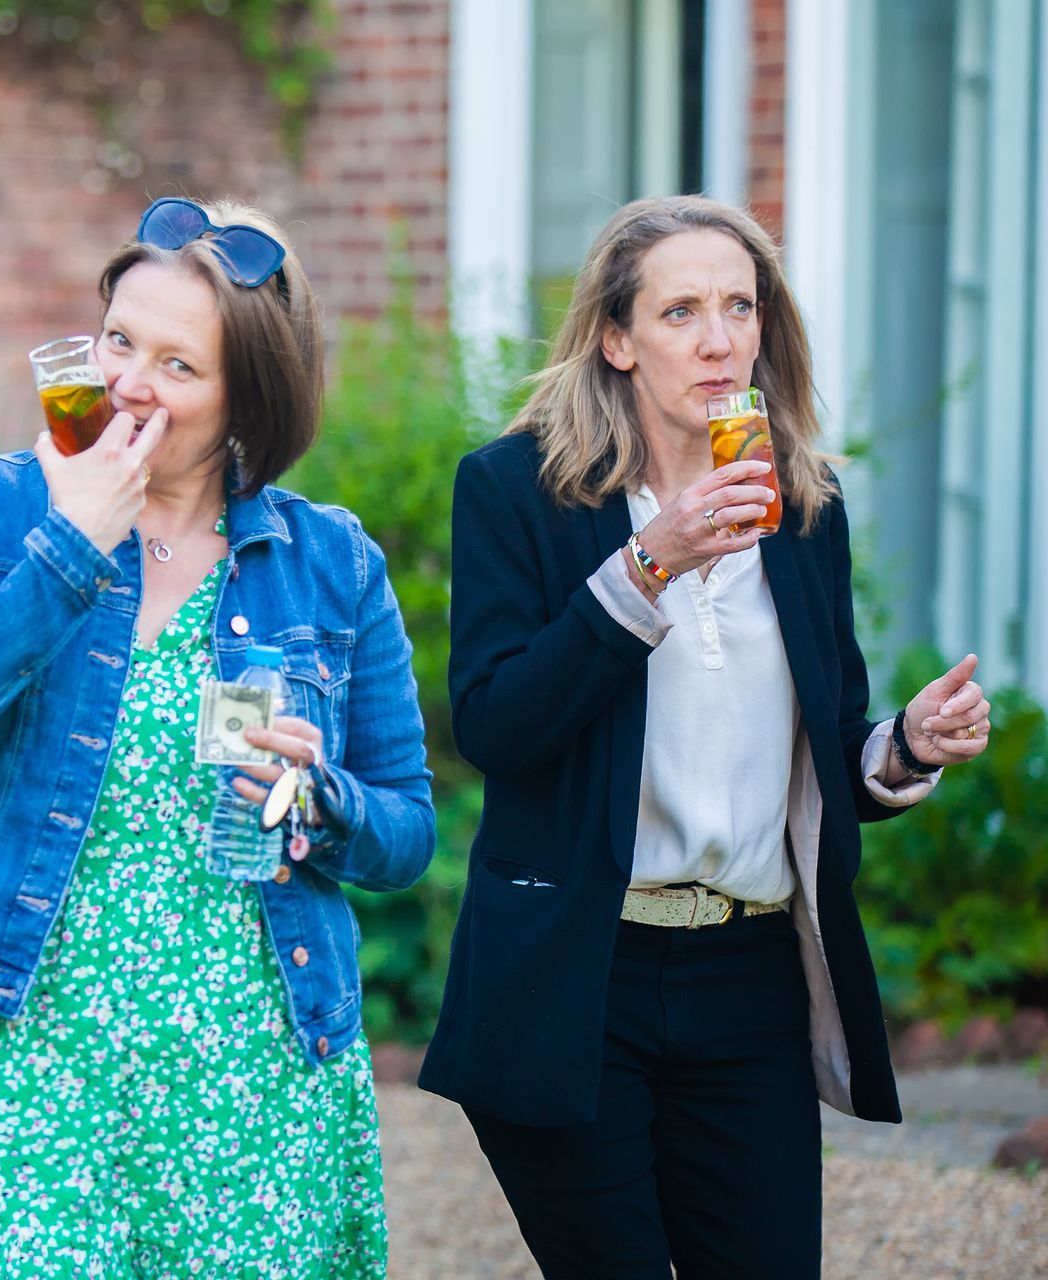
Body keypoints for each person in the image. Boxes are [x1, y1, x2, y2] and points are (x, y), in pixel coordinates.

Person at [0, 197, 438, 1277]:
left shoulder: (331, 563)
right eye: (119, 340)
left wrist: (320, 799)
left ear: (247, 397)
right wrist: (68, 548)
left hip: (243, 1068)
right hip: (16, 1040)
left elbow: (407, 829)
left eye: (178, 365)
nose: (129, 383)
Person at [417, 195, 993, 1277]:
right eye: (680, 311)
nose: (720, 338)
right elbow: (497, 727)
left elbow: (826, 749)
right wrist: (650, 566)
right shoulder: (517, 490)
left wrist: (906, 745)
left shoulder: (806, 504)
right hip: (581, 972)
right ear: (618, 339)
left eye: (740, 306)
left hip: (750, 977)